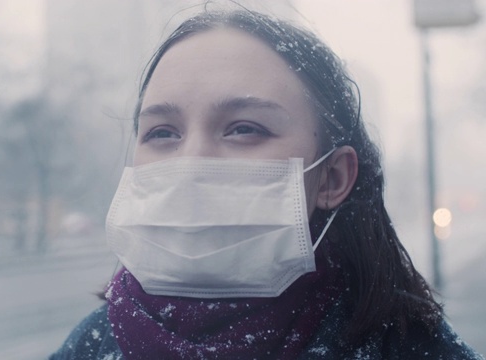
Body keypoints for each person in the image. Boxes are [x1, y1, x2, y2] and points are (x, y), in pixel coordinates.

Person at [50, 7, 483, 360]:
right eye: (162, 132)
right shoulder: (87, 347)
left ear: (331, 177)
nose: (191, 162)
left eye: (243, 128)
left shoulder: (414, 350)